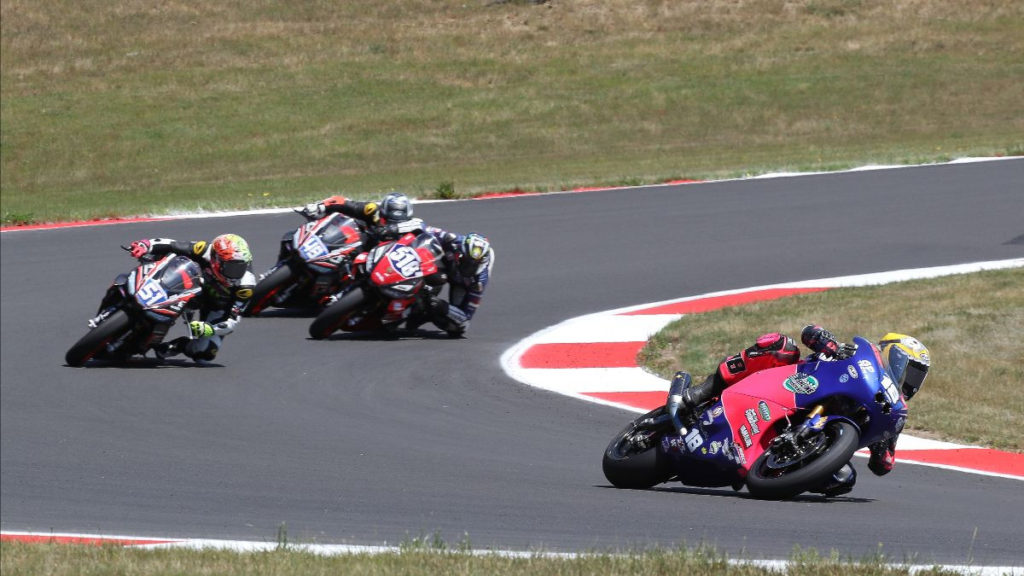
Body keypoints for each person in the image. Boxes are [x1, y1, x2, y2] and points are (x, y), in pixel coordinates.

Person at [672, 325, 930, 496]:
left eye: (917, 377)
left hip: (809, 431)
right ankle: (702, 392)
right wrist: (825, 341)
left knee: (844, 480)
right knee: (781, 346)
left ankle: (782, 470)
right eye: (909, 368)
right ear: (891, 353)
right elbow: (810, 332)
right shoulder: (852, 353)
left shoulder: (891, 409)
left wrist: (883, 444)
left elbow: (883, 465)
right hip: (786, 387)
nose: (910, 380)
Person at [124, 234, 256, 362]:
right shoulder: (205, 249)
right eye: (231, 267)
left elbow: (233, 320)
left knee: (205, 353)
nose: (235, 274)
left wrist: (210, 329)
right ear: (216, 259)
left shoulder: (246, 287)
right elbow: (173, 245)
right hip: (189, 285)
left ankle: (178, 345)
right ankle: (138, 285)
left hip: (217, 306)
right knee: (166, 257)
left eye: (241, 267)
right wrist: (146, 245)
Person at [407, 226, 494, 337]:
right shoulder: (453, 239)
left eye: (473, 265)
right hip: (445, 266)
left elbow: (465, 320)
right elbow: (421, 226)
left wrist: (441, 306)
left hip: (461, 284)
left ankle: (426, 313)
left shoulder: (479, 282)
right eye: (465, 261)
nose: (468, 267)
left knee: (457, 329)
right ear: (460, 251)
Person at [301, 192, 424, 244]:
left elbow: (421, 225)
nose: (387, 224)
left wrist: (391, 229)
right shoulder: (373, 210)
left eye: (396, 222)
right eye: (387, 220)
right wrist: (320, 206)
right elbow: (343, 202)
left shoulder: (414, 227)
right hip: (355, 250)